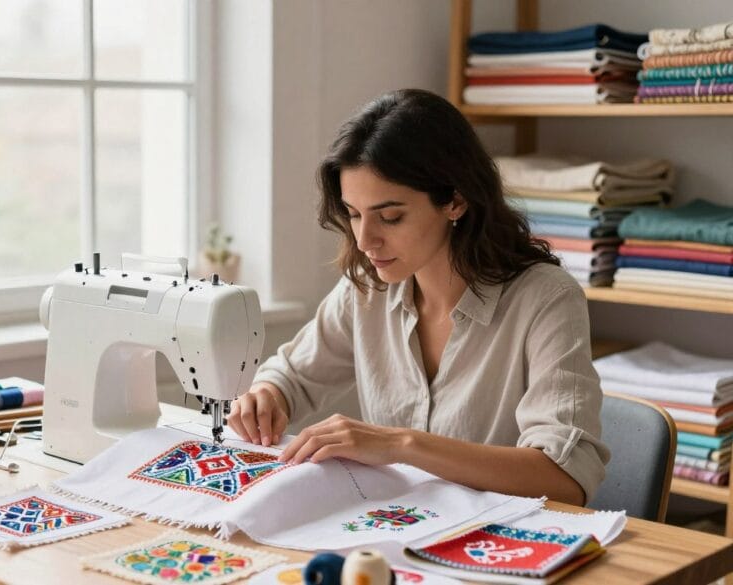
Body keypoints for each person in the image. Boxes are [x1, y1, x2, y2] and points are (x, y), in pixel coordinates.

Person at [226, 89, 608, 506]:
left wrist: (403, 444)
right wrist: (265, 396)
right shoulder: (367, 289)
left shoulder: (547, 300)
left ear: (455, 201)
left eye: (390, 217)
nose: (365, 239)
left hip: (497, 546)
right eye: (354, 214)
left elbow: (564, 478)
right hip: (401, 528)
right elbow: (292, 377)